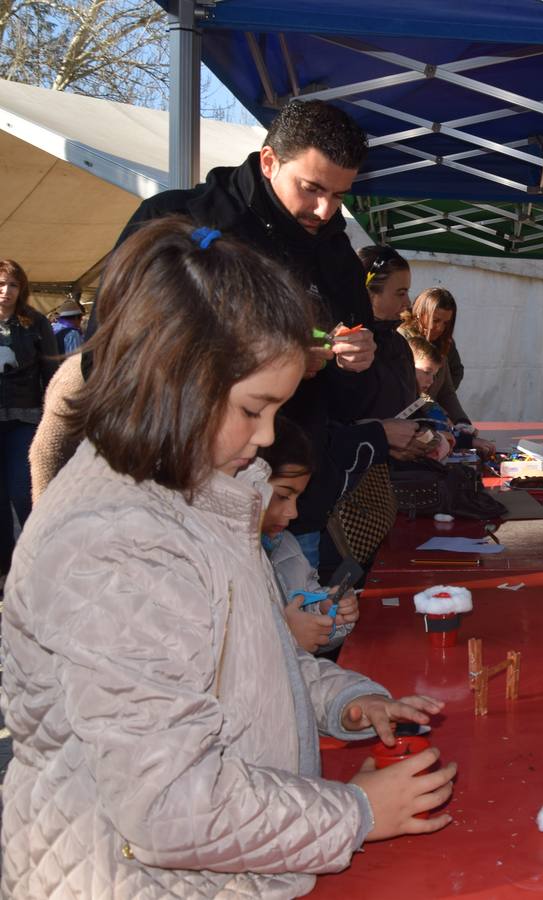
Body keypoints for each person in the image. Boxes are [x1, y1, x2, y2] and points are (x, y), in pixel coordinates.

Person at [1, 219, 457, 898]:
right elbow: (170, 806)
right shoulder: (119, 546)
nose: (268, 435)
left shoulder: (200, 494)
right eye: (254, 408)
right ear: (175, 381)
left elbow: (249, 667)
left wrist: (346, 702)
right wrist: (355, 813)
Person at [29, 100, 425, 570]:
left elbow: (351, 404)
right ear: (269, 161)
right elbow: (110, 361)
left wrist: (354, 363)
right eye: (311, 188)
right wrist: (272, 360)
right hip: (178, 504)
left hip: (292, 509)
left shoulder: (338, 259)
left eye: (339, 196)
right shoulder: (178, 223)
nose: (324, 209)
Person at [259, 417, 361, 654]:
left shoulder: (287, 546)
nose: (293, 513)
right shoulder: (221, 563)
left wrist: (328, 611)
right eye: (283, 496)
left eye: (298, 498)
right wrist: (289, 640)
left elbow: (307, 603)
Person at [0, 259, 57, 576]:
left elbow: (51, 373)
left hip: (25, 420)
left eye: (12, 284)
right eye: (1, 284)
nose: (5, 292)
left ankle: (37, 562)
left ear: (21, 289)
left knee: (23, 492)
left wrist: (54, 417)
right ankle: (6, 570)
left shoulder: (34, 323)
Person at [357, 245, 418, 420]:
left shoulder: (399, 343)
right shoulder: (348, 347)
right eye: (401, 293)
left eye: (407, 292)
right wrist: (383, 434)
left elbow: (418, 402)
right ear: (369, 294)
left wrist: (430, 428)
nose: (407, 301)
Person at [400, 287, 473, 428]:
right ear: (420, 314)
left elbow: (447, 390)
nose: (440, 328)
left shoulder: (443, 344)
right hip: (406, 423)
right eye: (436, 320)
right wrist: (439, 416)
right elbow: (416, 393)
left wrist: (462, 422)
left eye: (446, 323)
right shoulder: (401, 340)